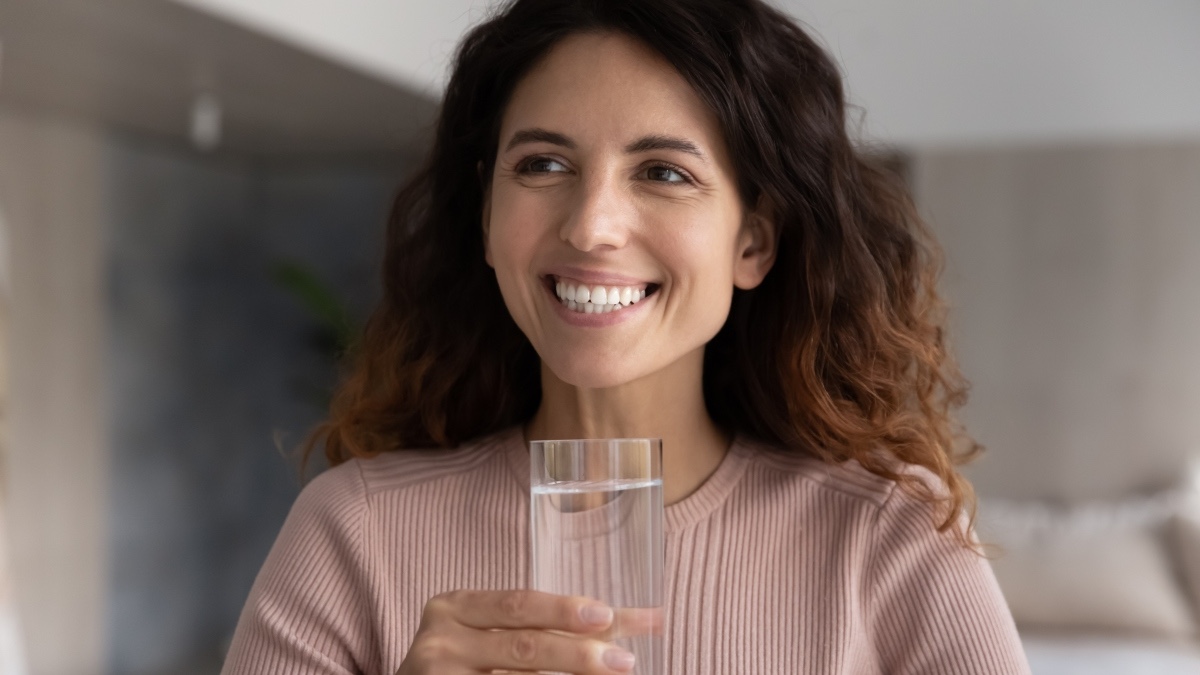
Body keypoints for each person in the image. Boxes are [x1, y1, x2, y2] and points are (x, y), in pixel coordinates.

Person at [223, 0, 1030, 673]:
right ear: (485, 211)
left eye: (664, 172)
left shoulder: (887, 538)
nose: (592, 224)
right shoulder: (354, 530)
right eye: (542, 164)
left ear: (753, 241)